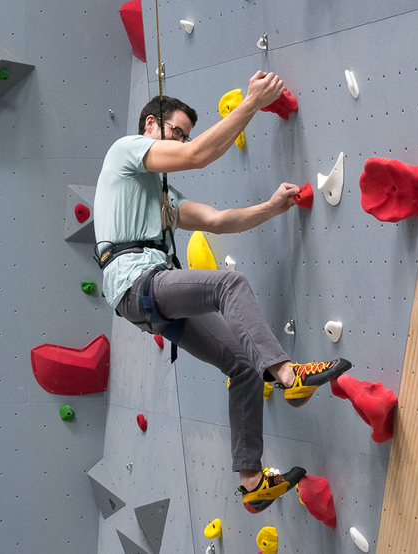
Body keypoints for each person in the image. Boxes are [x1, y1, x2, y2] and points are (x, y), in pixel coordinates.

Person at [93, 71, 352, 513]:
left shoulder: (158, 193)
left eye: (184, 133)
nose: (180, 140)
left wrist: (270, 207)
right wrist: (250, 103)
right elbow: (196, 155)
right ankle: (290, 375)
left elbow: (215, 219)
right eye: (175, 130)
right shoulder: (127, 151)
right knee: (228, 285)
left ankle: (252, 482)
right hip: (138, 283)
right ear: (150, 126)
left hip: (143, 294)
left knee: (244, 365)